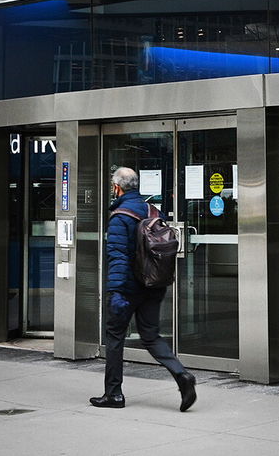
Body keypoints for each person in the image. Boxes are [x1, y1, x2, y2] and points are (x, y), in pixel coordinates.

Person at [90, 166, 197, 412]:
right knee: (150, 335)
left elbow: (117, 256)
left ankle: (114, 394)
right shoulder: (153, 210)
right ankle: (182, 375)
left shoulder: (120, 216)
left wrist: (115, 292)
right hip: (154, 284)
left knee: (115, 336)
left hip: (127, 288)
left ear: (117, 188)